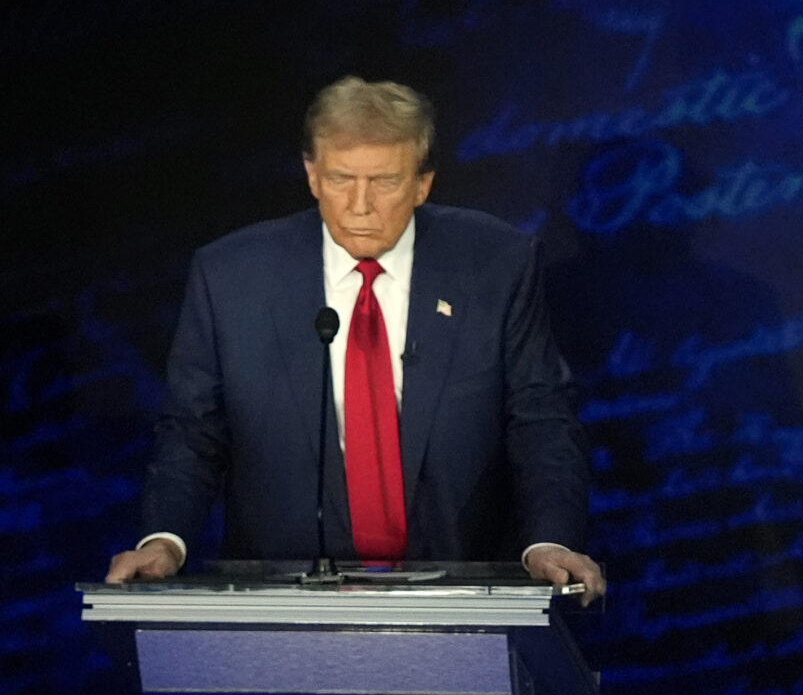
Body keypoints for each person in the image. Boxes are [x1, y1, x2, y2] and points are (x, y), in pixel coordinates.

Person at [103, 77, 604, 597]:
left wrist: (549, 541)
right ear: (312, 175)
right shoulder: (231, 278)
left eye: (384, 182)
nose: (360, 205)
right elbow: (192, 432)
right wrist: (165, 540)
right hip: (283, 602)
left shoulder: (497, 266)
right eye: (341, 179)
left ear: (422, 183)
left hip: (460, 592)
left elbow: (540, 420)